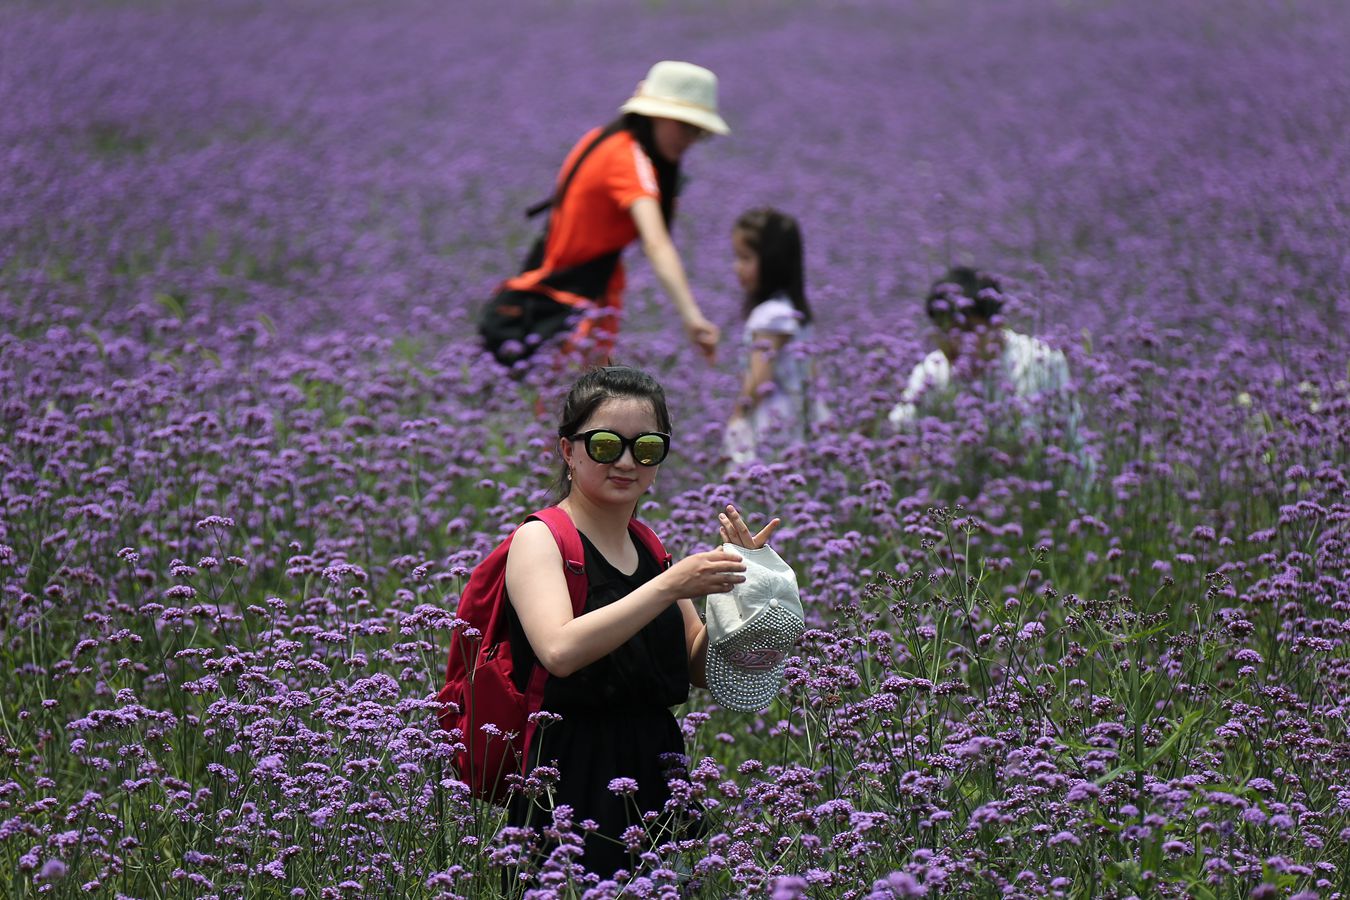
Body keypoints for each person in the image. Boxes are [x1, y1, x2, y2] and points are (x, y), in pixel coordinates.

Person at [504, 366, 780, 877]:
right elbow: (559, 651)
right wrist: (670, 586)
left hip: (657, 768)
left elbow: (701, 667)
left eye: (647, 448)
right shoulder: (541, 540)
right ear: (568, 450)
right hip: (571, 776)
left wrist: (748, 590)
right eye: (606, 445)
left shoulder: (649, 546)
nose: (628, 461)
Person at [501, 61, 727, 366]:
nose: (689, 140)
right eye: (684, 126)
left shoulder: (603, 138)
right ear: (654, 116)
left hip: (564, 287)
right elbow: (656, 242)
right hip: (574, 297)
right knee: (578, 403)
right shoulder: (628, 160)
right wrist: (692, 317)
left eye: (698, 132)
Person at [722, 208, 823, 466]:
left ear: (772, 261)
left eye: (745, 258)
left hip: (772, 422)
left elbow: (759, 378)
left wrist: (736, 418)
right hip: (795, 418)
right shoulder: (792, 311)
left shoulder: (770, 316)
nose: (737, 267)